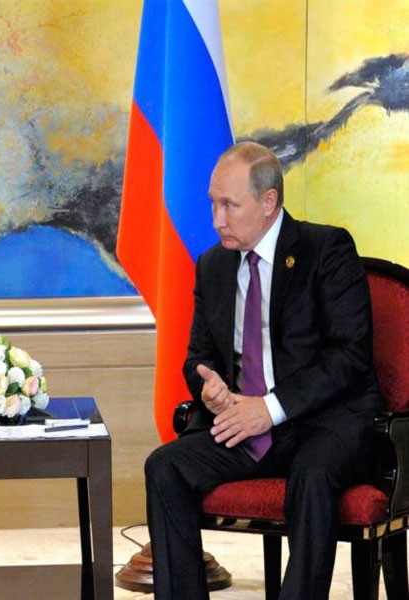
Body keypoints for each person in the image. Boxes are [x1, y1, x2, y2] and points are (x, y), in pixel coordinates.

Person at [144, 141, 380, 600]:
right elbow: (198, 356)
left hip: (321, 424)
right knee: (165, 467)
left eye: (229, 205)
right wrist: (208, 386)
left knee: (312, 477)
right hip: (242, 426)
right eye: (213, 204)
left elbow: (349, 355)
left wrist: (269, 410)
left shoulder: (326, 250)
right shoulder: (213, 265)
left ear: (269, 202)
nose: (217, 220)